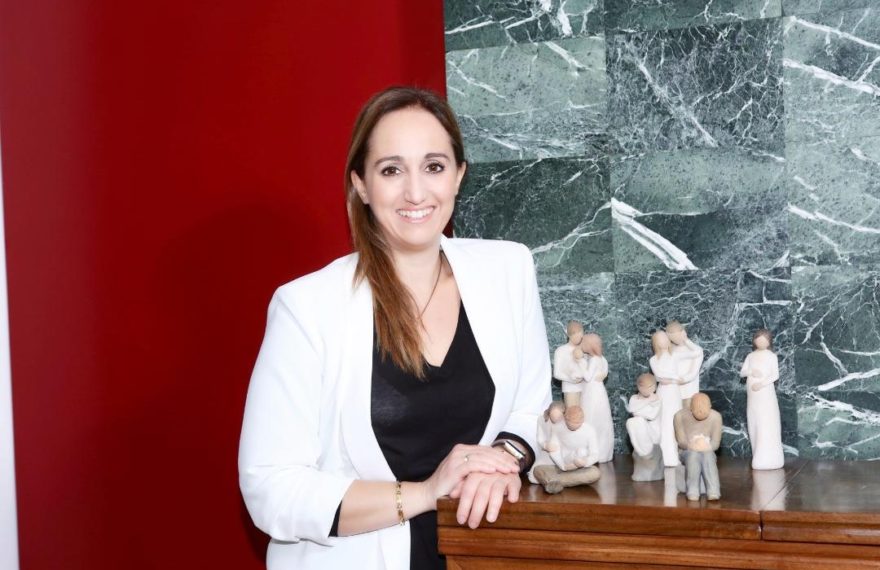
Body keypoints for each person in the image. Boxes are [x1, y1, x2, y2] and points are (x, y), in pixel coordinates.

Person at [238, 86, 552, 570]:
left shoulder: (508, 269)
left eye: (434, 166)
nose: (416, 192)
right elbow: (270, 487)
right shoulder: (307, 307)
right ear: (361, 185)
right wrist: (425, 492)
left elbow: (532, 407)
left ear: (459, 175)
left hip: (482, 555)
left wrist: (501, 459)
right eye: (391, 170)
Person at [741, 329, 784, 470]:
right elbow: (742, 372)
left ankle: (769, 458)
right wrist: (751, 371)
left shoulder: (771, 356)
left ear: (769, 342)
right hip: (753, 396)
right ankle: (757, 454)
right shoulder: (751, 356)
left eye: (764, 339)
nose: (760, 342)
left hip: (765, 393)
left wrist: (762, 384)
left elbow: (775, 375)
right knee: (755, 421)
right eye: (758, 339)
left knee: (766, 421)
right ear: (754, 341)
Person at [673, 393, 722, 501]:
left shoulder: (716, 417)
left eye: (704, 407)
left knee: (708, 456)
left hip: (707, 449)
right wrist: (691, 445)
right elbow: (681, 441)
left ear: (710, 406)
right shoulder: (680, 416)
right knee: (693, 456)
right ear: (690, 407)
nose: (700, 410)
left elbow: (715, 443)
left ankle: (713, 491)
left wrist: (706, 446)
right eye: (697, 408)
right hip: (687, 450)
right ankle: (692, 490)